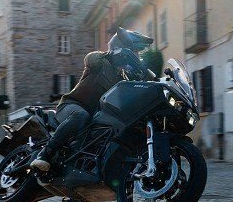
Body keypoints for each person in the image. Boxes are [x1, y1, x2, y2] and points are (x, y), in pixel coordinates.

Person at [30, 27, 153, 172]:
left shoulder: (123, 79)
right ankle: (45, 153)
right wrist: (111, 56)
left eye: (138, 53)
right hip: (72, 105)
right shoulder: (100, 62)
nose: (136, 55)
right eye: (135, 51)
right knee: (81, 115)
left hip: (94, 118)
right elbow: (90, 58)